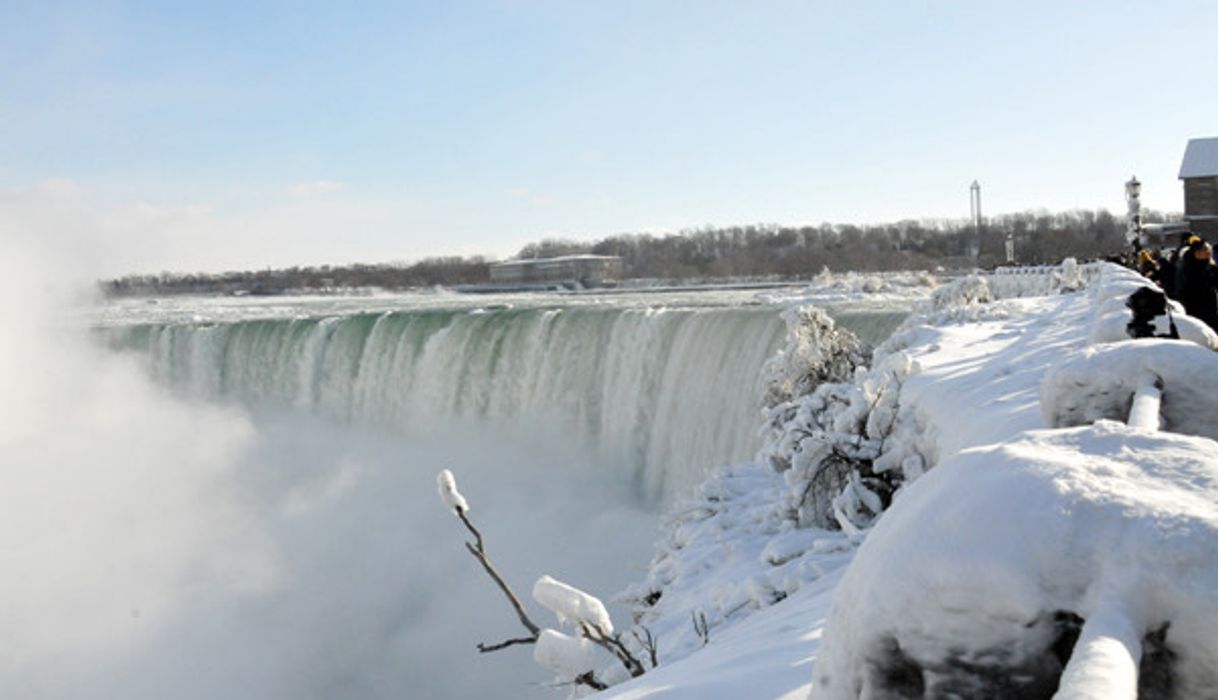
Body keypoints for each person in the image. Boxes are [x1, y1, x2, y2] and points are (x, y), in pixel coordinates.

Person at [1174, 237, 1218, 332]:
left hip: (1211, 309)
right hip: (1196, 310)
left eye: (1208, 249)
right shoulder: (1189, 268)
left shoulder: (1209, 266)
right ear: (1196, 253)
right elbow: (1183, 289)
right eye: (1204, 249)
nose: (1208, 252)